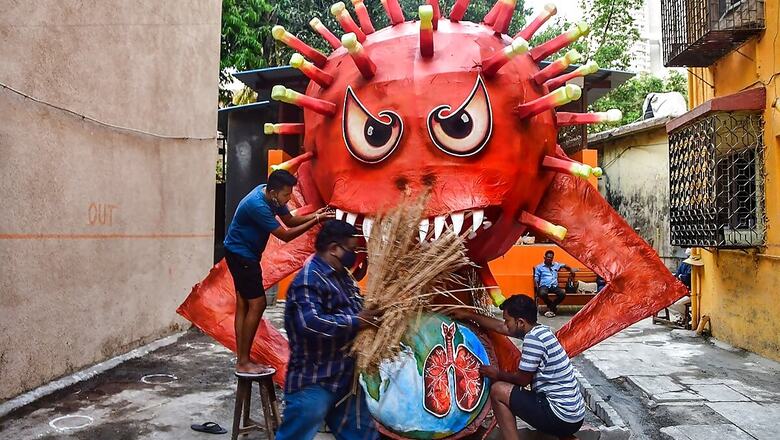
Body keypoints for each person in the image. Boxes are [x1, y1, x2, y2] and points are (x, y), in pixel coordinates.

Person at [276, 220, 380, 440]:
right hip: (314, 381)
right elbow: (310, 323)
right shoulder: (309, 279)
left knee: (364, 436)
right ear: (334, 248)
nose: (354, 255)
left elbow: (354, 308)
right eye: (351, 250)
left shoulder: (342, 276)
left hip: (344, 379)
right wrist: (356, 321)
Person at [223, 169, 333, 375]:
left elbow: (289, 220)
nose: (288, 198)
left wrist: (316, 215)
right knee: (258, 304)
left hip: (241, 252)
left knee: (244, 303)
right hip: (241, 255)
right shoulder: (257, 205)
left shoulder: (272, 196)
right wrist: (316, 221)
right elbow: (286, 235)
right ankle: (243, 361)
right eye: (286, 195)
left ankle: (242, 357)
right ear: (274, 193)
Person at [449, 295, 585, 440]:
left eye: (507, 320)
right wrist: (468, 315)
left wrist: (496, 373)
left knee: (498, 390)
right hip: (575, 416)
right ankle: (566, 436)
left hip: (561, 416)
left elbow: (522, 380)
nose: (505, 324)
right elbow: (499, 327)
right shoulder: (541, 331)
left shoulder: (533, 340)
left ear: (520, 322)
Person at [533, 250, 575, 318]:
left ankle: (552, 306)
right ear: (544, 257)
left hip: (554, 286)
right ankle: (551, 306)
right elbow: (536, 278)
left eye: (551, 258)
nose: (549, 259)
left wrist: (571, 269)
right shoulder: (539, 267)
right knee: (542, 293)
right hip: (544, 286)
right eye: (548, 257)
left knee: (562, 294)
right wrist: (537, 288)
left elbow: (564, 265)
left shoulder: (556, 265)